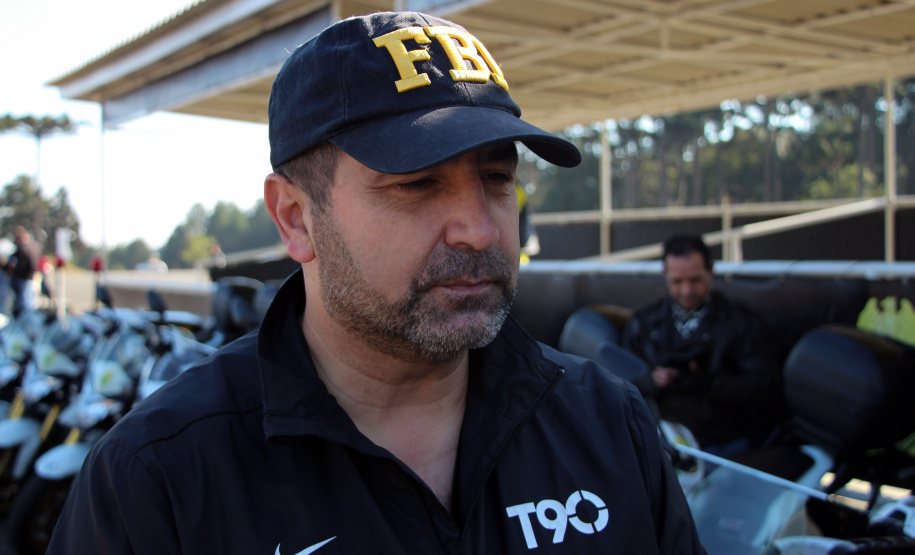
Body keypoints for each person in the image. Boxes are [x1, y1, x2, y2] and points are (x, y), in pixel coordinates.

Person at [49, 12, 704, 554]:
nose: (478, 228)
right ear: (295, 217)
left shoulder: (605, 423)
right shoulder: (160, 478)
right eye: (417, 183)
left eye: (497, 179)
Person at [622, 234, 780, 455]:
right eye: (677, 281)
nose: (686, 290)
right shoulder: (645, 322)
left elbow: (765, 383)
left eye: (695, 280)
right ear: (664, 273)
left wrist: (709, 383)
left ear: (711, 271)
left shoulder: (740, 322)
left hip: (725, 446)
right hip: (663, 444)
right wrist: (652, 380)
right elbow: (621, 381)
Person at [5, 226, 38, 317]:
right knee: (21, 301)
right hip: (23, 279)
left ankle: (25, 319)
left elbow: (30, 265)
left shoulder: (26, 250)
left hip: (24, 279)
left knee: (25, 302)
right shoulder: (21, 250)